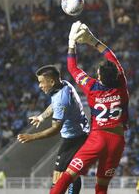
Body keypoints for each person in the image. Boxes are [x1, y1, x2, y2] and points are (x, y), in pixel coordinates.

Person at [50, 21, 129, 194]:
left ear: (99, 77)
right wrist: (93, 41)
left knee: (66, 177)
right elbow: (114, 60)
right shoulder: (121, 86)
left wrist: (72, 43)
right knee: (102, 187)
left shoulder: (92, 87)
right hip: (117, 141)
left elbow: (72, 67)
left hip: (97, 138)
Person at [17, 65, 89, 194]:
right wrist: (41, 117)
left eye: (41, 82)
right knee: (71, 172)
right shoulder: (64, 85)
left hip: (74, 139)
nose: (39, 86)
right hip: (80, 133)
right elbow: (54, 105)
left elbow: (55, 129)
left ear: (51, 82)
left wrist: (32, 137)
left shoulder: (61, 98)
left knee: (59, 176)